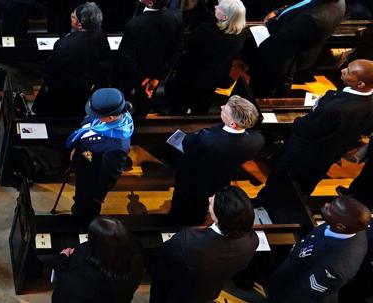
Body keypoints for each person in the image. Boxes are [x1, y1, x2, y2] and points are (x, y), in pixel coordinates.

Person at [259, 58, 373, 205]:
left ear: (360, 84)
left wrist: (297, 121)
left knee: (283, 178)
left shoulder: (336, 109)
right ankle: (293, 203)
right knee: (306, 183)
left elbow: (304, 128)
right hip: (330, 153)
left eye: (349, 72)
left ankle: (267, 201)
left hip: (306, 151)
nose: (342, 70)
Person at [254, 0, 354, 98]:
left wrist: (270, 22)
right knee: (283, 79)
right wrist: (279, 11)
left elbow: (280, 33)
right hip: (296, 48)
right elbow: (301, 5)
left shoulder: (314, 17)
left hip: (284, 56)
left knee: (269, 85)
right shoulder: (336, 0)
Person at [151, 187, 259, 303]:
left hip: (178, 290)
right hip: (210, 289)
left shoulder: (187, 241)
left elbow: (163, 255)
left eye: (212, 204)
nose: (209, 198)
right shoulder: (252, 241)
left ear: (219, 216)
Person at [169, 93, 264, 223]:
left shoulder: (207, 139)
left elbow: (187, 143)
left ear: (232, 123)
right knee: (201, 208)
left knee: (183, 207)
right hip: (220, 181)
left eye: (225, 109)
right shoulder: (257, 140)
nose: (221, 107)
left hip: (193, 179)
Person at [267, 196, 371, 301]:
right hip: (291, 272)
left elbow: (302, 293)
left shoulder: (336, 267)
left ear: (340, 226)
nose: (326, 205)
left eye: (330, 209)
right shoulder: (349, 225)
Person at [66, 88, 134, 222]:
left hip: (92, 175)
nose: (92, 115)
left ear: (110, 117)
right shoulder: (104, 117)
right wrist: (76, 147)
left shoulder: (117, 145)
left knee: (86, 203)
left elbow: (109, 175)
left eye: (96, 114)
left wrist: (99, 195)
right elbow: (86, 124)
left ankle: (84, 218)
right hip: (84, 160)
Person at [33, 2, 112, 116]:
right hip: (88, 88)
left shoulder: (65, 44)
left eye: (74, 16)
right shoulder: (99, 33)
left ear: (79, 24)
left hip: (65, 91)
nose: (71, 16)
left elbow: (52, 69)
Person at [116, 0, 184, 110]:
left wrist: (143, 80)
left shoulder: (134, 24)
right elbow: (177, 50)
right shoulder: (177, 16)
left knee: (122, 97)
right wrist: (158, 77)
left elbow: (127, 55)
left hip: (133, 73)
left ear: (150, 3)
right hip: (156, 72)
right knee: (145, 103)